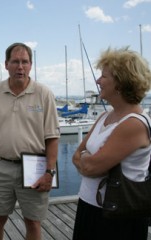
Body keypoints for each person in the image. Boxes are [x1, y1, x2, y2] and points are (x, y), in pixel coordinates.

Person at [0, 42, 60, 240]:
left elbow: (52, 137)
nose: (20, 66)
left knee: (33, 222)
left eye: (25, 62)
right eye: (15, 61)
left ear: (31, 65)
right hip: (0, 166)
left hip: (35, 167)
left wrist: (50, 172)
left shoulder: (44, 93)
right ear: (6, 64)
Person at [72, 47, 151, 240]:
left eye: (104, 76)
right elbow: (77, 155)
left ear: (120, 83)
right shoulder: (104, 117)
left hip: (116, 215)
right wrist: (87, 161)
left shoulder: (133, 123)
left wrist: (87, 161)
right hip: (90, 205)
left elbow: (91, 166)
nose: (98, 81)